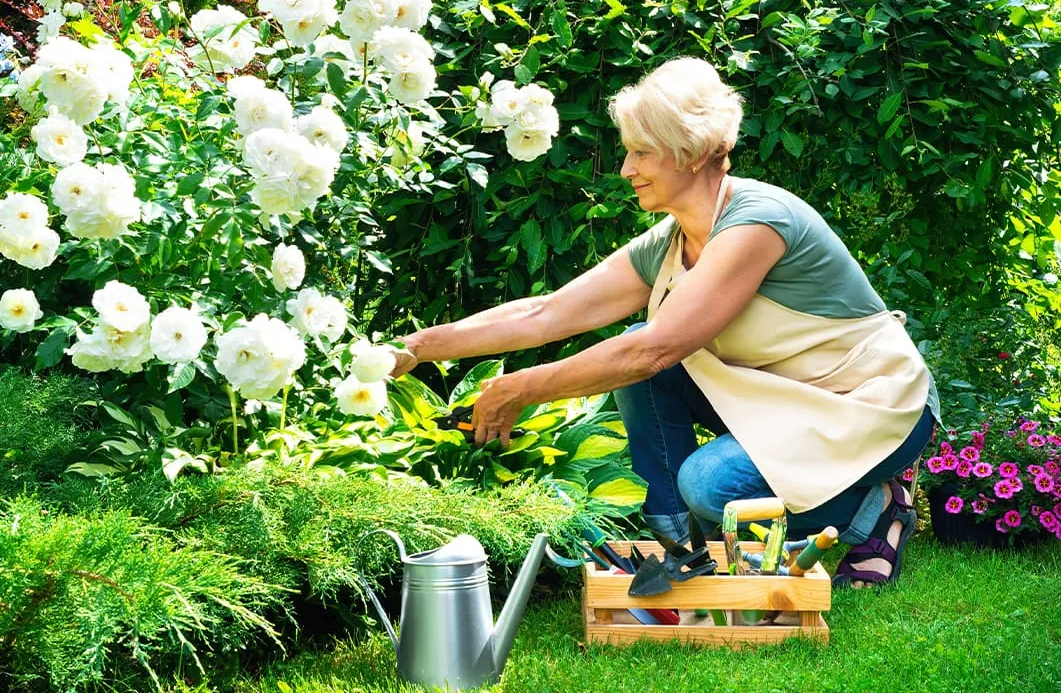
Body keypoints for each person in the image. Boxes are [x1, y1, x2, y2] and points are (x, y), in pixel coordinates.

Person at [389, 57, 940, 588]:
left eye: (641, 152)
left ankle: (875, 508)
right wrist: (415, 347)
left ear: (691, 152)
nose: (626, 169)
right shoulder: (674, 239)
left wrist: (519, 389)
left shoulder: (759, 223)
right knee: (639, 362)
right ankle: (683, 547)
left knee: (711, 485)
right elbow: (547, 311)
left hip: (868, 408)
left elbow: (654, 350)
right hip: (781, 404)